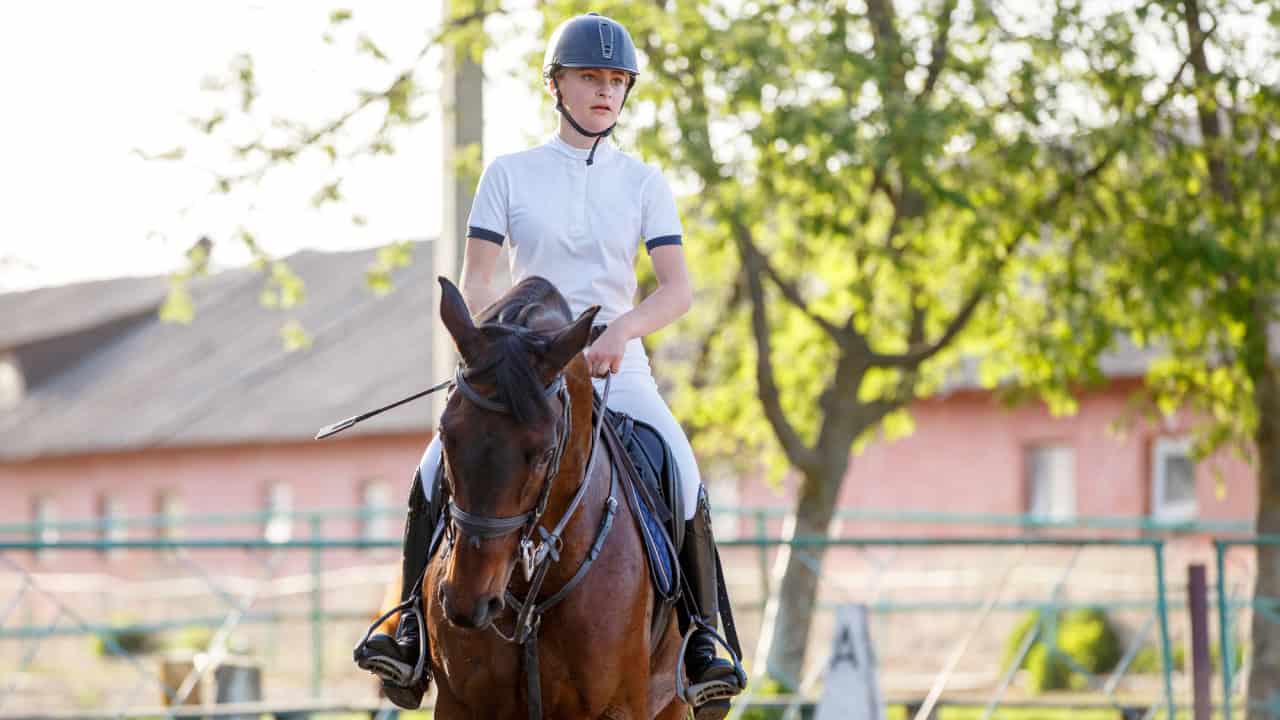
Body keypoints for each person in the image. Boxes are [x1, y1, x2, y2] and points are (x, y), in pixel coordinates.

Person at [353, 12, 745, 718]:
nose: (604, 92)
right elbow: (476, 279)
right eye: (590, 78)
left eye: (616, 81)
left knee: (683, 473)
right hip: (523, 373)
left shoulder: (644, 182)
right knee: (429, 471)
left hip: (613, 373)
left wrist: (623, 330)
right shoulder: (509, 174)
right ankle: (407, 629)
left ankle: (704, 641)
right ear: (557, 85)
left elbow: (678, 289)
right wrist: (499, 343)